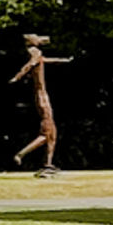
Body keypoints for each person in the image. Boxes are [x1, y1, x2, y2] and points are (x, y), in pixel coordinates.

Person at [10, 33, 71, 174]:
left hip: (42, 95)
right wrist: (17, 77)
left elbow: (44, 61)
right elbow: (31, 64)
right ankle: (21, 155)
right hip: (42, 96)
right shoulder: (34, 51)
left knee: (52, 133)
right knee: (46, 134)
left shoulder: (36, 53)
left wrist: (63, 60)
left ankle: (48, 164)